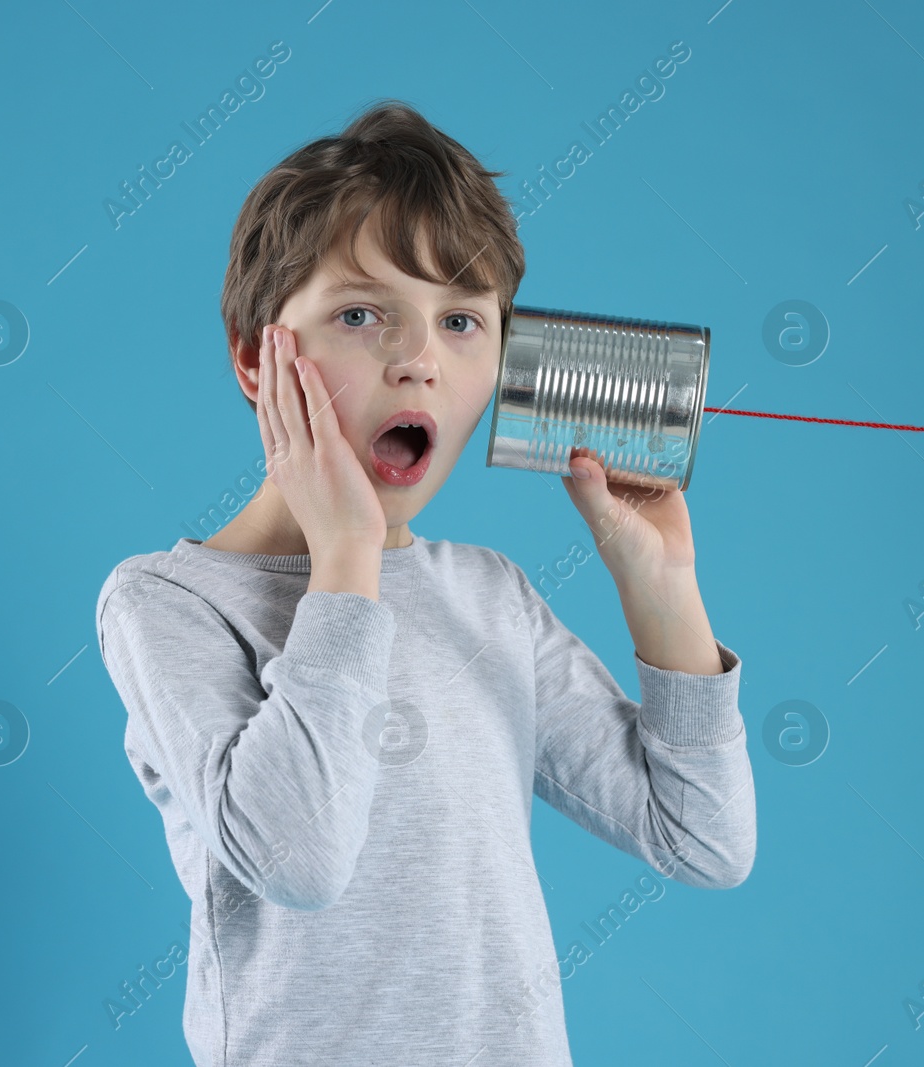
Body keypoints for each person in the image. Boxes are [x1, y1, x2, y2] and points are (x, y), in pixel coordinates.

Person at [93, 98, 755, 1067]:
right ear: (254, 357)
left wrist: (663, 592)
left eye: (460, 321)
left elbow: (701, 838)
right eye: (361, 315)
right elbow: (299, 858)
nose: (416, 361)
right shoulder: (166, 601)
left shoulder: (488, 595)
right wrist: (347, 559)